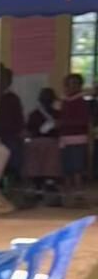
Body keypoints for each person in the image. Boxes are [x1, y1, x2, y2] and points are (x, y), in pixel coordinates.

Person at [23, 86, 63, 202]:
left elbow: (29, 131)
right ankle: (47, 184)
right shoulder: (56, 114)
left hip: (38, 143)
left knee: (37, 166)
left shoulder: (34, 114)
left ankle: (38, 187)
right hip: (50, 144)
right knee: (49, 166)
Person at [0, 64, 25, 212]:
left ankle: (9, 189)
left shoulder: (12, 98)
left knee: (10, 152)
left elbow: (19, 120)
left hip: (9, 136)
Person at [57, 73, 90, 205]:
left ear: (79, 86)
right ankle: (67, 192)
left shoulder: (81, 102)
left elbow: (83, 121)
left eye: (74, 84)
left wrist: (64, 123)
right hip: (65, 138)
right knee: (66, 167)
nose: (71, 87)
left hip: (77, 138)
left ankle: (78, 192)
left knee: (77, 167)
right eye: (68, 84)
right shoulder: (64, 101)